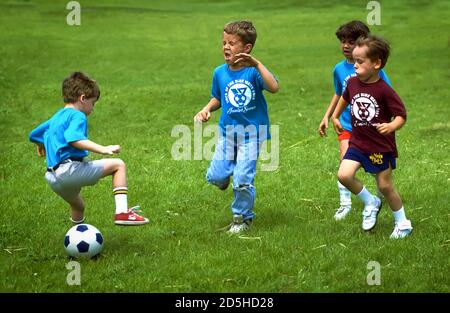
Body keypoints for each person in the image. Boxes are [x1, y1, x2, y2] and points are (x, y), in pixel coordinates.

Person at [29, 72, 149, 226]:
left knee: (78, 205)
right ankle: (122, 212)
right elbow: (74, 139)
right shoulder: (77, 115)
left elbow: (33, 135)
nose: (93, 108)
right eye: (93, 103)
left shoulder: (57, 116)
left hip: (53, 177)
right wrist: (103, 149)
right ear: (83, 98)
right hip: (69, 170)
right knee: (118, 165)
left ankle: (77, 233)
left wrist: (41, 144)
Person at [194, 20, 279, 234]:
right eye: (223, 42)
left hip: (253, 134)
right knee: (215, 176)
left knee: (242, 180)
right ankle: (226, 176)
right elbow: (218, 97)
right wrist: (206, 109)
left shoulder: (253, 72)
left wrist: (257, 64)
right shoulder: (219, 72)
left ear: (247, 48)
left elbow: (274, 87)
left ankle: (242, 218)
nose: (225, 47)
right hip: (228, 133)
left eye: (232, 43)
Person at [332, 35, 413, 239]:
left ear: (376, 63)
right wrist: (335, 115)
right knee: (344, 175)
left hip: (379, 146)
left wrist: (391, 125)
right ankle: (370, 201)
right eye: (354, 60)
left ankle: (403, 223)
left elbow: (401, 115)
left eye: (360, 61)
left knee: (385, 186)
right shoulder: (352, 83)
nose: (355, 65)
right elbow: (344, 98)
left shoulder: (384, 90)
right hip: (358, 143)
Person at [318, 20, 391, 221]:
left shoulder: (374, 69)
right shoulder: (339, 69)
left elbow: (385, 94)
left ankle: (381, 195)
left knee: (378, 166)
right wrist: (327, 115)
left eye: (351, 41)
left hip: (370, 127)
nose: (345, 45)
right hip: (347, 124)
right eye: (343, 41)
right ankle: (345, 204)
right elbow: (338, 93)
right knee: (344, 163)